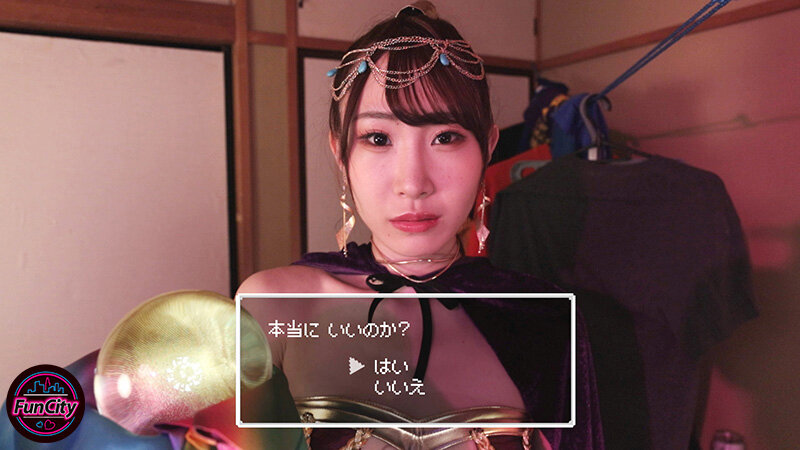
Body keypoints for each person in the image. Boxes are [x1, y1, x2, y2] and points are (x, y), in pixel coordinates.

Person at [233, 3, 603, 449]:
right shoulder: (276, 305)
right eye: (378, 138)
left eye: (445, 137)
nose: (413, 183)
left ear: (488, 147)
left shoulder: (541, 317)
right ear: (340, 152)